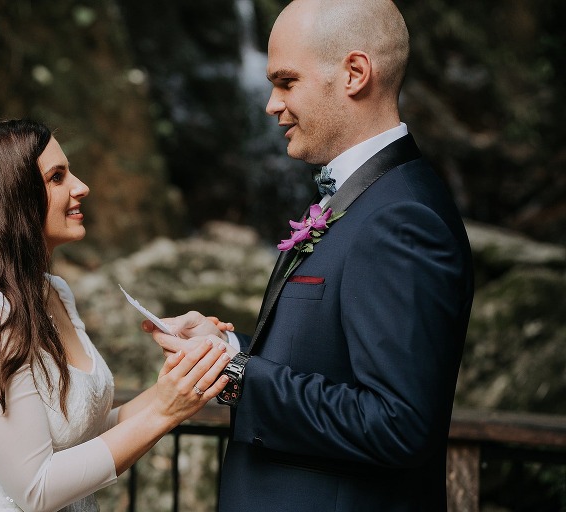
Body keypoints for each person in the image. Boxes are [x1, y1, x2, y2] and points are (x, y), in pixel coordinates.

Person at [144, 0, 474, 510]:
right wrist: (226, 347)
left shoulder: (402, 217)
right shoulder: (365, 196)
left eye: (286, 81)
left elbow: (397, 424)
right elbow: (330, 357)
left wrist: (236, 376)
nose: (271, 104)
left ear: (354, 73)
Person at [0, 119, 232, 512]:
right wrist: (163, 411)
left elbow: (83, 439)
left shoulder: (54, 293)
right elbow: (35, 489)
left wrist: (179, 383)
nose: (81, 186)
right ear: (12, 199)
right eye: (57, 177)